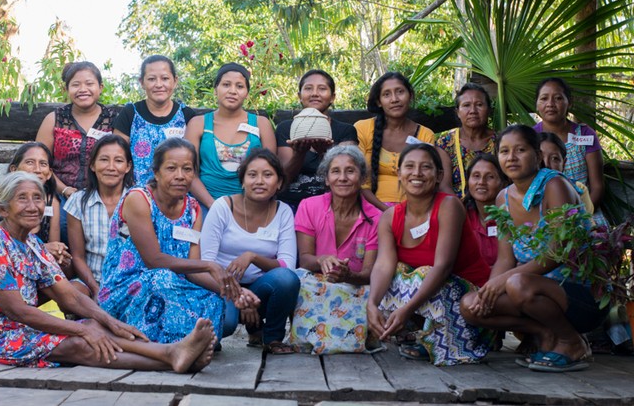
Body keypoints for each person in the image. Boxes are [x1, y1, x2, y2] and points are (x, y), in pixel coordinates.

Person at [0, 171, 216, 372]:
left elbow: (69, 295)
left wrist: (108, 320)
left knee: (96, 324)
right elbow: (16, 310)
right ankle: (172, 358)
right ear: (3, 209)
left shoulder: (32, 244)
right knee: (81, 341)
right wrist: (80, 330)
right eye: (22, 198)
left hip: (21, 328)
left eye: (37, 198)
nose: (33, 206)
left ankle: (171, 352)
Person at [461, 125, 606, 373]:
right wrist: (488, 292)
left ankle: (572, 342)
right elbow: (505, 259)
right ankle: (547, 334)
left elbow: (555, 254)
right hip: (533, 291)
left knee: (517, 284)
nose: (512, 157)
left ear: (537, 156)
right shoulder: (503, 197)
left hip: (580, 295)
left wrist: (503, 282)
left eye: (521, 150)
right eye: (504, 151)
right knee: (470, 305)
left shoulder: (555, 185)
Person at [98, 138, 258, 343]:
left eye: (187, 169)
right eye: (171, 168)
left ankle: (180, 342)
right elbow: (153, 261)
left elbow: (194, 275)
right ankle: (171, 345)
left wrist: (235, 291)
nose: (180, 176)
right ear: (156, 172)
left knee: (217, 303)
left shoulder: (192, 209)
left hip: (173, 287)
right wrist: (209, 265)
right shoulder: (139, 199)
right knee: (161, 279)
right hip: (126, 288)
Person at [366, 143, 492, 366]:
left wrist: (407, 309)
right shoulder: (389, 217)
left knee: (423, 273)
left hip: (474, 304)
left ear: (438, 175)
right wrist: (372, 303)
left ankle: (454, 341)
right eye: (410, 166)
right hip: (433, 299)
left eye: (425, 167)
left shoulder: (449, 206)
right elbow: (384, 264)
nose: (417, 173)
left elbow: (443, 266)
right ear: (399, 172)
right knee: (393, 274)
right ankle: (422, 334)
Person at [200, 149, 299, 354]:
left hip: (261, 289)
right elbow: (206, 261)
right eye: (252, 175)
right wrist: (238, 295)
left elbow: (287, 265)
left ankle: (271, 338)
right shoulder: (222, 207)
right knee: (224, 327)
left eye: (268, 175)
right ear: (243, 181)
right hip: (221, 287)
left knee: (287, 279)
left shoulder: (283, 212)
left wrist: (252, 257)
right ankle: (234, 325)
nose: (259, 181)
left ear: (279, 183)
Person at [289, 145, 382, 354]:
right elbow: (305, 259)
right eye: (335, 171)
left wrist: (348, 276)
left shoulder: (376, 218)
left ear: (361, 177)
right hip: (317, 282)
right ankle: (322, 339)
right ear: (326, 178)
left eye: (350, 171)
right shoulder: (309, 206)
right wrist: (322, 260)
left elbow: (369, 274)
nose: (343, 178)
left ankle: (336, 341)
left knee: (368, 293)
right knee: (301, 279)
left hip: (356, 286)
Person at [36, 62, 118, 242]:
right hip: (61, 192)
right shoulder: (55, 119)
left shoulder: (113, 120)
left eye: (89, 84)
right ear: (66, 89)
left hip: (102, 193)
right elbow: (39, 162)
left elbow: (120, 159)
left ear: (100, 87)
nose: (83, 89)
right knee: (63, 223)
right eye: (75, 84)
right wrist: (64, 190)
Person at [185, 63, 277, 212]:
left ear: (247, 92)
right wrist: (214, 206)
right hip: (206, 206)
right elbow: (188, 172)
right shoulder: (198, 124)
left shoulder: (261, 124)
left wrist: (245, 209)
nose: (232, 91)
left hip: (252, 208)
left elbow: (270, 172)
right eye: (226, 84)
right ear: (216, 89)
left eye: (240, 86)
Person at [355, 72, 452, 210]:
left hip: (415, 211)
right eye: (386, 94)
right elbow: (357, 180)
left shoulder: (424, 134)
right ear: (379, 101)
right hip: (369, 209)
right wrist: (388, 212)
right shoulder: (363, 129)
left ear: (410, 96)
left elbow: (429, 181)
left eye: (400, 92)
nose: (394, 99)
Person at [0, 142, 72, 273]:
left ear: (49, 173)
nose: (37, 169)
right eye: (30, 162)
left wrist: (58, 251)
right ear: (14, 169)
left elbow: (54, 246)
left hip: (38, 266)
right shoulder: (2, 195)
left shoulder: (52, 202)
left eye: (43, 164)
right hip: (4, 264)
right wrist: (44, 248)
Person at [275, 70, 358, 211]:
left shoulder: (346, 131)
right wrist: (299, 154)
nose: (314, 93)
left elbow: (348, 175)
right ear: (300, 96)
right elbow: (283, 179)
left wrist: (326, 154)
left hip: (333, 206)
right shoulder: (286, 128)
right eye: (308, 88)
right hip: (291, 205)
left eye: (322, 88)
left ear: (332, 97)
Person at [65, 135, 134, 300]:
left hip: (130, 280)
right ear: (93, 165)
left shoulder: (139, 200)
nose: (111, 167)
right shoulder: (78, 202)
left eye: (118, 161)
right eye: (104, 160)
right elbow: (78, 257)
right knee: (71, 293)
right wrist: (97, 290)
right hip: (92, 281)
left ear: (128, 167)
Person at [113, 55, 195, 187]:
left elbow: (193, 160)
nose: (158, 84)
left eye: (165, 78)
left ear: (175, 81)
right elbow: (116, 155)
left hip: (177, 191)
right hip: (135, 193)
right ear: (142, 82)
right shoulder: (130, 113)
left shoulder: (186, 115)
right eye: (151, 79)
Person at [533, 78, 605, 224]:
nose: (550, 104)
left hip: (586, 212)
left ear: (569, 102)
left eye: (558, 98)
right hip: (541, 216)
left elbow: (597, 186)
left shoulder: (585, 134)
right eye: (544, 98)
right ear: (537, 104)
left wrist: (581, 217)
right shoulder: (530, 138)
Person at [436, 83, 497, 197]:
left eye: (479, 104)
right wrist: (460, 211)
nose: (473, 110)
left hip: (495, 209)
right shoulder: (445, 143)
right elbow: (444, 186)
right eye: (466, 105)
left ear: (488, 110)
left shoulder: (501, 142)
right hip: (456, 208)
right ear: (458, 112)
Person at [462, 153, 508, 267]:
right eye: (476, 176)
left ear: (503, 183)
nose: (481, 182)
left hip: (505, 280)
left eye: (490, 177)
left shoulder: (511, 215)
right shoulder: (461, 216)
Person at [539, 132, 594, 214]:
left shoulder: (579, 189)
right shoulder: (521, 190)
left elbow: (586, 223)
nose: (546, 164)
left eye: (554, 158)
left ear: (564, 164)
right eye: (540, 157)